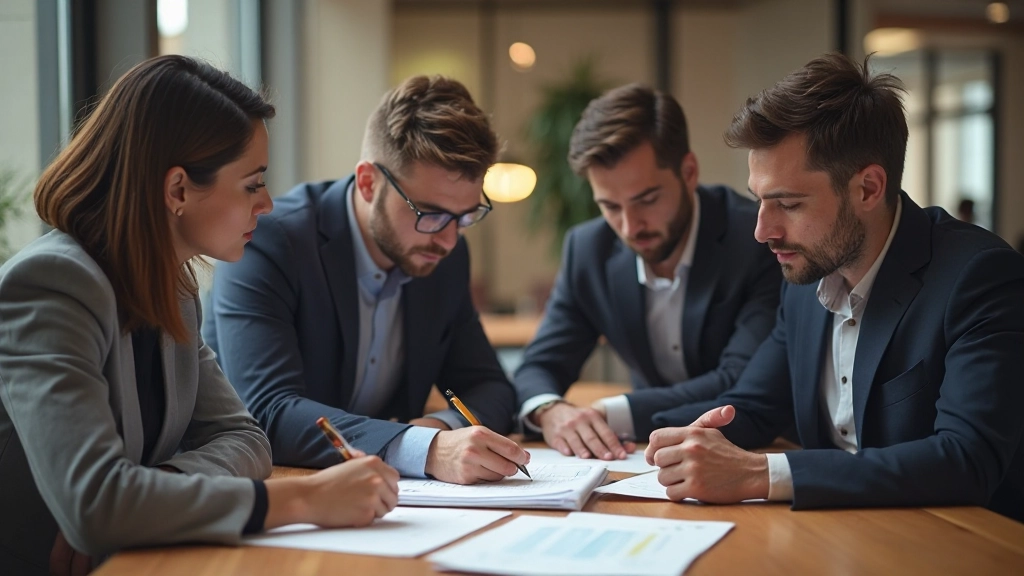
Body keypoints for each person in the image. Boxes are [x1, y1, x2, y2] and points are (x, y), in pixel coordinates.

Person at [0, 56, 400, 575]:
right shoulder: (53, 285)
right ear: (178, 191)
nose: (268, 205)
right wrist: (303, 501)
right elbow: (96, 507)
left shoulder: (172, 284)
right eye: (252, 183)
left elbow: (246, 439)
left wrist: (155, 488)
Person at [645, 53, 1024, 522]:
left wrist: (761, 475)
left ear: (867, 188)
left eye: (788, 204)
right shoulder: (807, 276)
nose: (763, 230)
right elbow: (754, 405)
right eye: (759, 201)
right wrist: (636, 435)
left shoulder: (979, 277)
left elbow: (965, 460)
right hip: (840, 535)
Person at [203, 75, 528, 485]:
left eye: (465, 217)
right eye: (430, 214)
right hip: (272, 492)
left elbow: (490, 386)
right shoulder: (268, 240)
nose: (448, 239)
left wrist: (438, 428)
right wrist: (420, 448)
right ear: (369, 182)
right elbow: (268, 411)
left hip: (384, 499)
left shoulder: (442, 253)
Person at [513, 84, 781, 460]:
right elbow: (540, 365)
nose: (629, 225)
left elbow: (738, 377)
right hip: (640, 460)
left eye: (647, 200)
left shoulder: (756, 239)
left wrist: (610, 413)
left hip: (749, 450)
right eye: (609, 206)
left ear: (689, 171)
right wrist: (549, 410)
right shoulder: (589, 249)